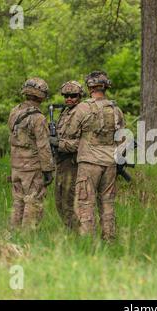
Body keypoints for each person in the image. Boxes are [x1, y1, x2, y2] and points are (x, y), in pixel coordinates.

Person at [74, 71, 125, 241]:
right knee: (107, 202)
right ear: (105, 87)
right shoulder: (116, 109)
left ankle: (88, 241)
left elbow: (70, 132)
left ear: (89, 87)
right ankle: (109, 239)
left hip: (89, 162)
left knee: (85, 201)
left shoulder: (83, 107)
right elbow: (122, 139)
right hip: (110, 162)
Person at [8, 77, 55, 229]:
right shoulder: (38, 118)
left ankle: (14, 234)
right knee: (33, 201)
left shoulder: (14, 112)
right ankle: (28, 238)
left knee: (18, 201)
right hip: (32, 168)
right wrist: (48, 169)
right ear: (41, 96)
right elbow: (43, 146)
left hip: (16, 166)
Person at [49, 81, 91, 229]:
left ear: (79, 96)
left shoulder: (82, 112)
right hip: (61, 163)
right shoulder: (65, 112)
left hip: (73, 165)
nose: (69, 99)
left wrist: (58, 143)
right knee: (59, 202)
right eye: (66, 96)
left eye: (73, 96)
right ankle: (72, 232)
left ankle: (78, 235)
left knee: (69, 202)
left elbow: (82, 143)